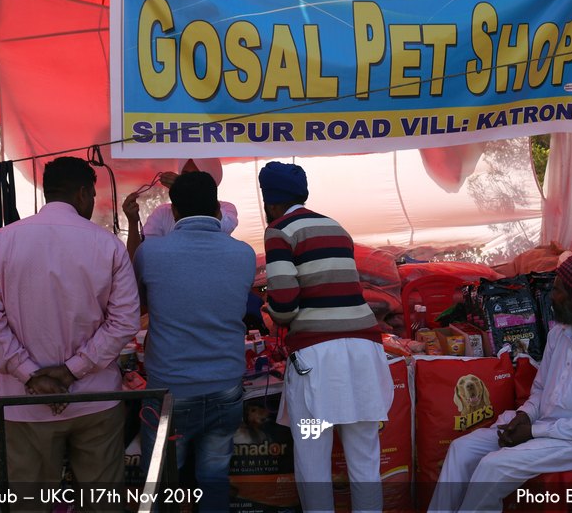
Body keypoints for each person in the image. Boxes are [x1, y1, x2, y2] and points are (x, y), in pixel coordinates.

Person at [0, 156, 141, 509]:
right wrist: (71, 371)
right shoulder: (107, 244)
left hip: (24, 403)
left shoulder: (1, 242)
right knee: (102, 504)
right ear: (83, 193)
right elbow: (124, 321)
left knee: (30, 504)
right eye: (92, 196)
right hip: (95, 400)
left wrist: (31, 375)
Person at [428, 252, 572, 513]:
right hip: (542, 426)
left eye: (557, 291)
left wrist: (533, 431)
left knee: (493, 466)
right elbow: (540, 390)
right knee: (462, 449)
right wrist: (524, 417)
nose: (551, 298)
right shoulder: (559, 334)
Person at [259, 161, 393, 513]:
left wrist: (271, 308)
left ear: (270, 201)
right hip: (364, 356)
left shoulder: (279, 230)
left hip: (318, 362)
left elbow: (284, 305)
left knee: (313, 459)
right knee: (365, 460)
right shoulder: (337, 227)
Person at [134, 170, 256, 511]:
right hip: (226, 385)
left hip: (170, 388)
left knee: (161, 482)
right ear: (218, 209)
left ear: (173, 212)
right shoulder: (244, 254)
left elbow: (139, 303)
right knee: (214, 478)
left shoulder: (150, 252)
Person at [122, 158, 238, 259]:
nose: (189, 180)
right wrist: (133, 222)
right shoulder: (163, 212)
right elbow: (139, 258)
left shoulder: (226, 208)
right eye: (185, 175)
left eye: (195, 175)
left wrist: (185, 187)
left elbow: (224, 226)